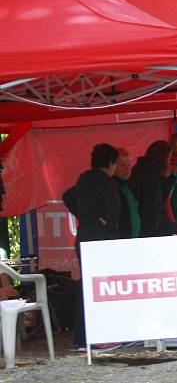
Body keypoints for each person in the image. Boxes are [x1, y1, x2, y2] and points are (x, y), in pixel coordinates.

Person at [61, 143, 121, 347]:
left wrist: (85, 216)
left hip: (84, 235)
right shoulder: (107, 182)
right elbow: (114, 213)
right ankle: (102, 335)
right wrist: (102, 220)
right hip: (102, 238)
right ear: (111, 163)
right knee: (104, 287)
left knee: (87, 286)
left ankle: (81, 335)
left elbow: (67, 196)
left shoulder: (84, 179)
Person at [128, 140, 177, 237]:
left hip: (142, 226)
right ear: (164, 158)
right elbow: (153, 207)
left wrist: (168, 177)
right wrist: (170, 227)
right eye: (169, 158)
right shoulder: (150, 175)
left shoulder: (143, 169)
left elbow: (160, 197)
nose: (170, 162)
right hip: (150, 229)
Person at [114, 148, 141, 239]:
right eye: (122, 165)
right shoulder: (109, 187)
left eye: (129, 165)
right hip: (120, 239)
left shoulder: (132, 185)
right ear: (113, 166)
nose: (127, 168)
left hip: (136, 238)